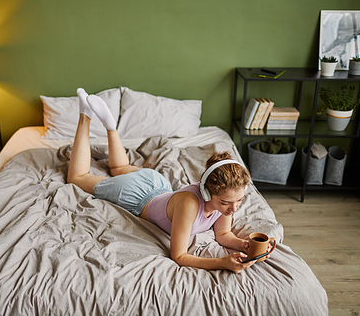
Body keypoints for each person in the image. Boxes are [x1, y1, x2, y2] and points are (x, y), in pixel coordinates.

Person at [67, 88, 260, 273]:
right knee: (77, 178)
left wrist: (246, 245)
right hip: (135, 194)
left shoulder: (227, 199)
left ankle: (110, 126)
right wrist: (221, 263)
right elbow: (179, 256)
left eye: (239, 201)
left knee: (117, 168)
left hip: (157, 182)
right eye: (226, 203)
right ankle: (85, 115)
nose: (233, 209)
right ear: (208, 192)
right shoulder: (189, 204)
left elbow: (223, 235)